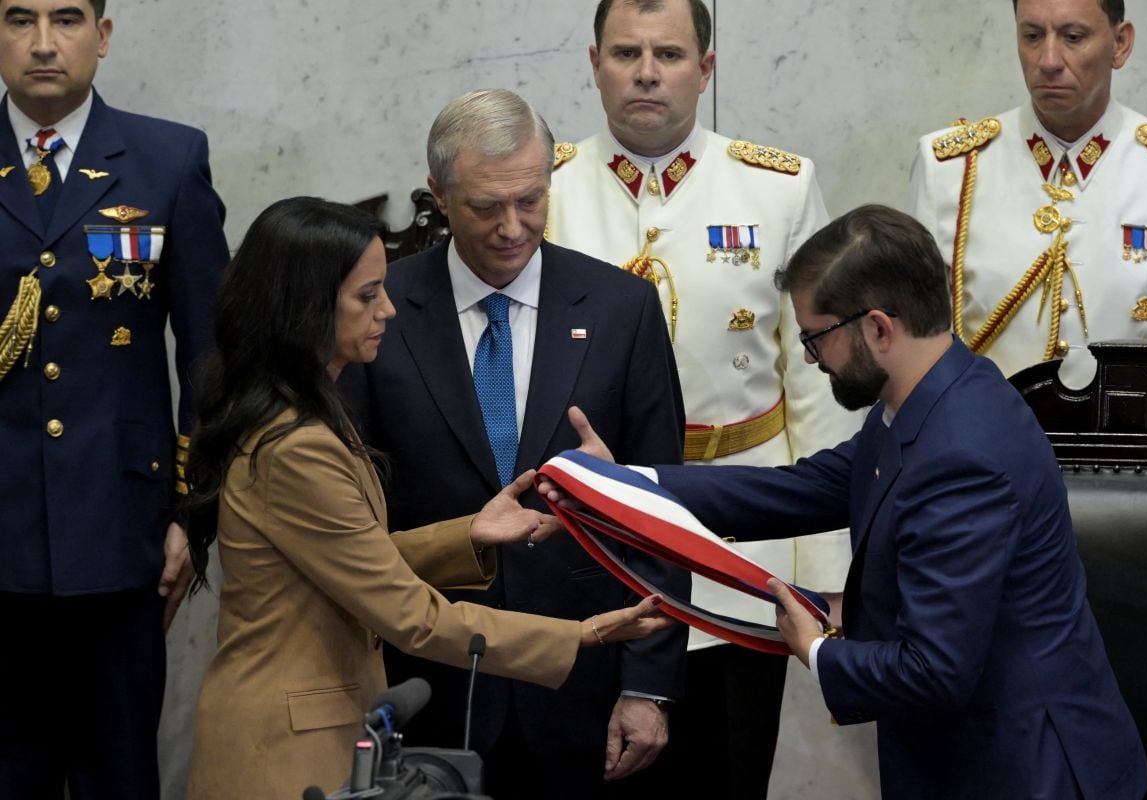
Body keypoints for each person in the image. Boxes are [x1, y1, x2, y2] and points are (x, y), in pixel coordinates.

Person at [546, 204, 1147, 798]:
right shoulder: (934, 393)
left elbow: (933, 672)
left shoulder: (963, 454)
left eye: (816, 338)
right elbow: (807, 488)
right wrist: (625, 483)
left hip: (1023, 766)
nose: (809, 358)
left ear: (879, 328)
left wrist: (814, 648)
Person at [181, 196, 672, 800]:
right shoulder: (297, 445)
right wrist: (581, 635)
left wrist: (467, 535)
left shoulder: (304, 419)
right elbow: (413, 618)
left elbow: (351, 560)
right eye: (366, 296)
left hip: (316, 729)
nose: (387, 309)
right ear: (305, 307)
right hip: (284, 747)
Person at [545, 1, 864, 795]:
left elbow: (817, 383)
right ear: (593, 64)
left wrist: (828, 566)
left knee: (727, 768)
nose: (647, 72)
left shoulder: (779, 188)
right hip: (587, 531)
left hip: (739, 539)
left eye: (669, 54)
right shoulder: (543, 190)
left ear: (707, 68)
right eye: (625, 53)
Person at [340, 88, 688, 800]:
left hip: (584, 683)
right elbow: (355, 518)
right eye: (484, 206)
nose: (511, 227)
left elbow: (664, 515)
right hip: (426, 683)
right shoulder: (379, 312)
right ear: (438, 193)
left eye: (531, 200)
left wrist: (649, 688)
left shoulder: (622, 310)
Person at [0, 0, 228, 797]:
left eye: (65, 19)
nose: (41, 43)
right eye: (16, 18)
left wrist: (191, 515)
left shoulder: (167, 161)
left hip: (122, 538)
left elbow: (211, 356)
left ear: (101, 35)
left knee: (119, 775)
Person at [910, 0, 1147, 389]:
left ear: (1120, 43)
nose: (1048, 60)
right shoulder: (949, 168)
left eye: (1073, 37)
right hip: (988, 441)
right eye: (1032, 36)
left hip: (1133, 442)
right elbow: (916, 353)